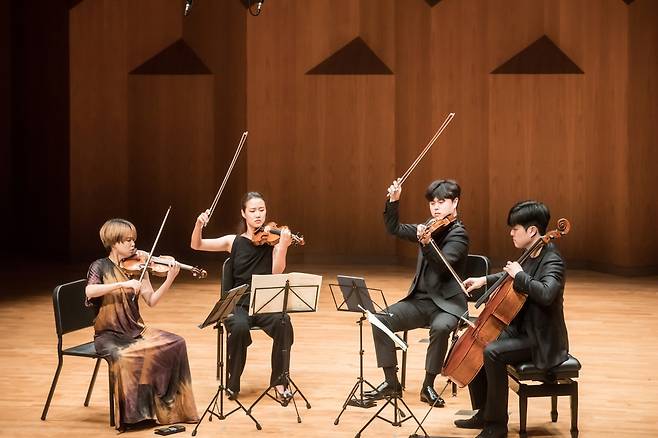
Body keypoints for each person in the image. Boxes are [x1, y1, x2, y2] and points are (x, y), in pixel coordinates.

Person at [455, 200, 569, 438]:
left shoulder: (553, 260)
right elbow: (512, 272)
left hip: (541, 339)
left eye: (515, 228)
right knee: (477, 339)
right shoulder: (530, 252)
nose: (511, 233)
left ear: (532, 231)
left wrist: (520, 276)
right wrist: (484, 280)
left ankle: (496, 426)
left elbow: (546, 293)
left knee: (492, 352)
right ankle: (484, 412)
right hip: (522, 329)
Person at [85, 218, 198, 431]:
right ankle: (133, 417)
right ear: (113, 242)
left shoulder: (140, 266)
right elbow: (90, 291)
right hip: (108, 335)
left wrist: (169, 279)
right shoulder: (99, 266)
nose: (132, 244)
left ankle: (170, 409)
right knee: (125, 356)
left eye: (133, 239)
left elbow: (152, 301)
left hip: (134, 330)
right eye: (126, 240)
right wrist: (123, 284)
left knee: (176, 343)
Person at [366, 179, 469, 407]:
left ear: (455, 203)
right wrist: (394, 201)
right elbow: (394, 228)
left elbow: (442, 267)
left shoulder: (459, 234)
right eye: (432, 203)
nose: (436, 207)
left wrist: (426, 243)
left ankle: (428, 386)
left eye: (441, 202)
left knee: (441, 328)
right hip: (421, 301)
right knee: (379, 320)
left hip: (448, 304)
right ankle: (391, 383)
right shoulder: (429, 227)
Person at [190, 191, 294, 402]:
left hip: (263, 302)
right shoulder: (233, 241)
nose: (258, 215)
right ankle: (233, 381)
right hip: (238, 303)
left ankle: (280, 382)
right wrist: (199, 225)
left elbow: (276, 272)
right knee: (238, 327)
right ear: (244, 214)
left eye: (262, 210)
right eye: (253, 210)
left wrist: (282, 247)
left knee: (284, 322)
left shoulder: (271, 242)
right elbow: (197, 245)